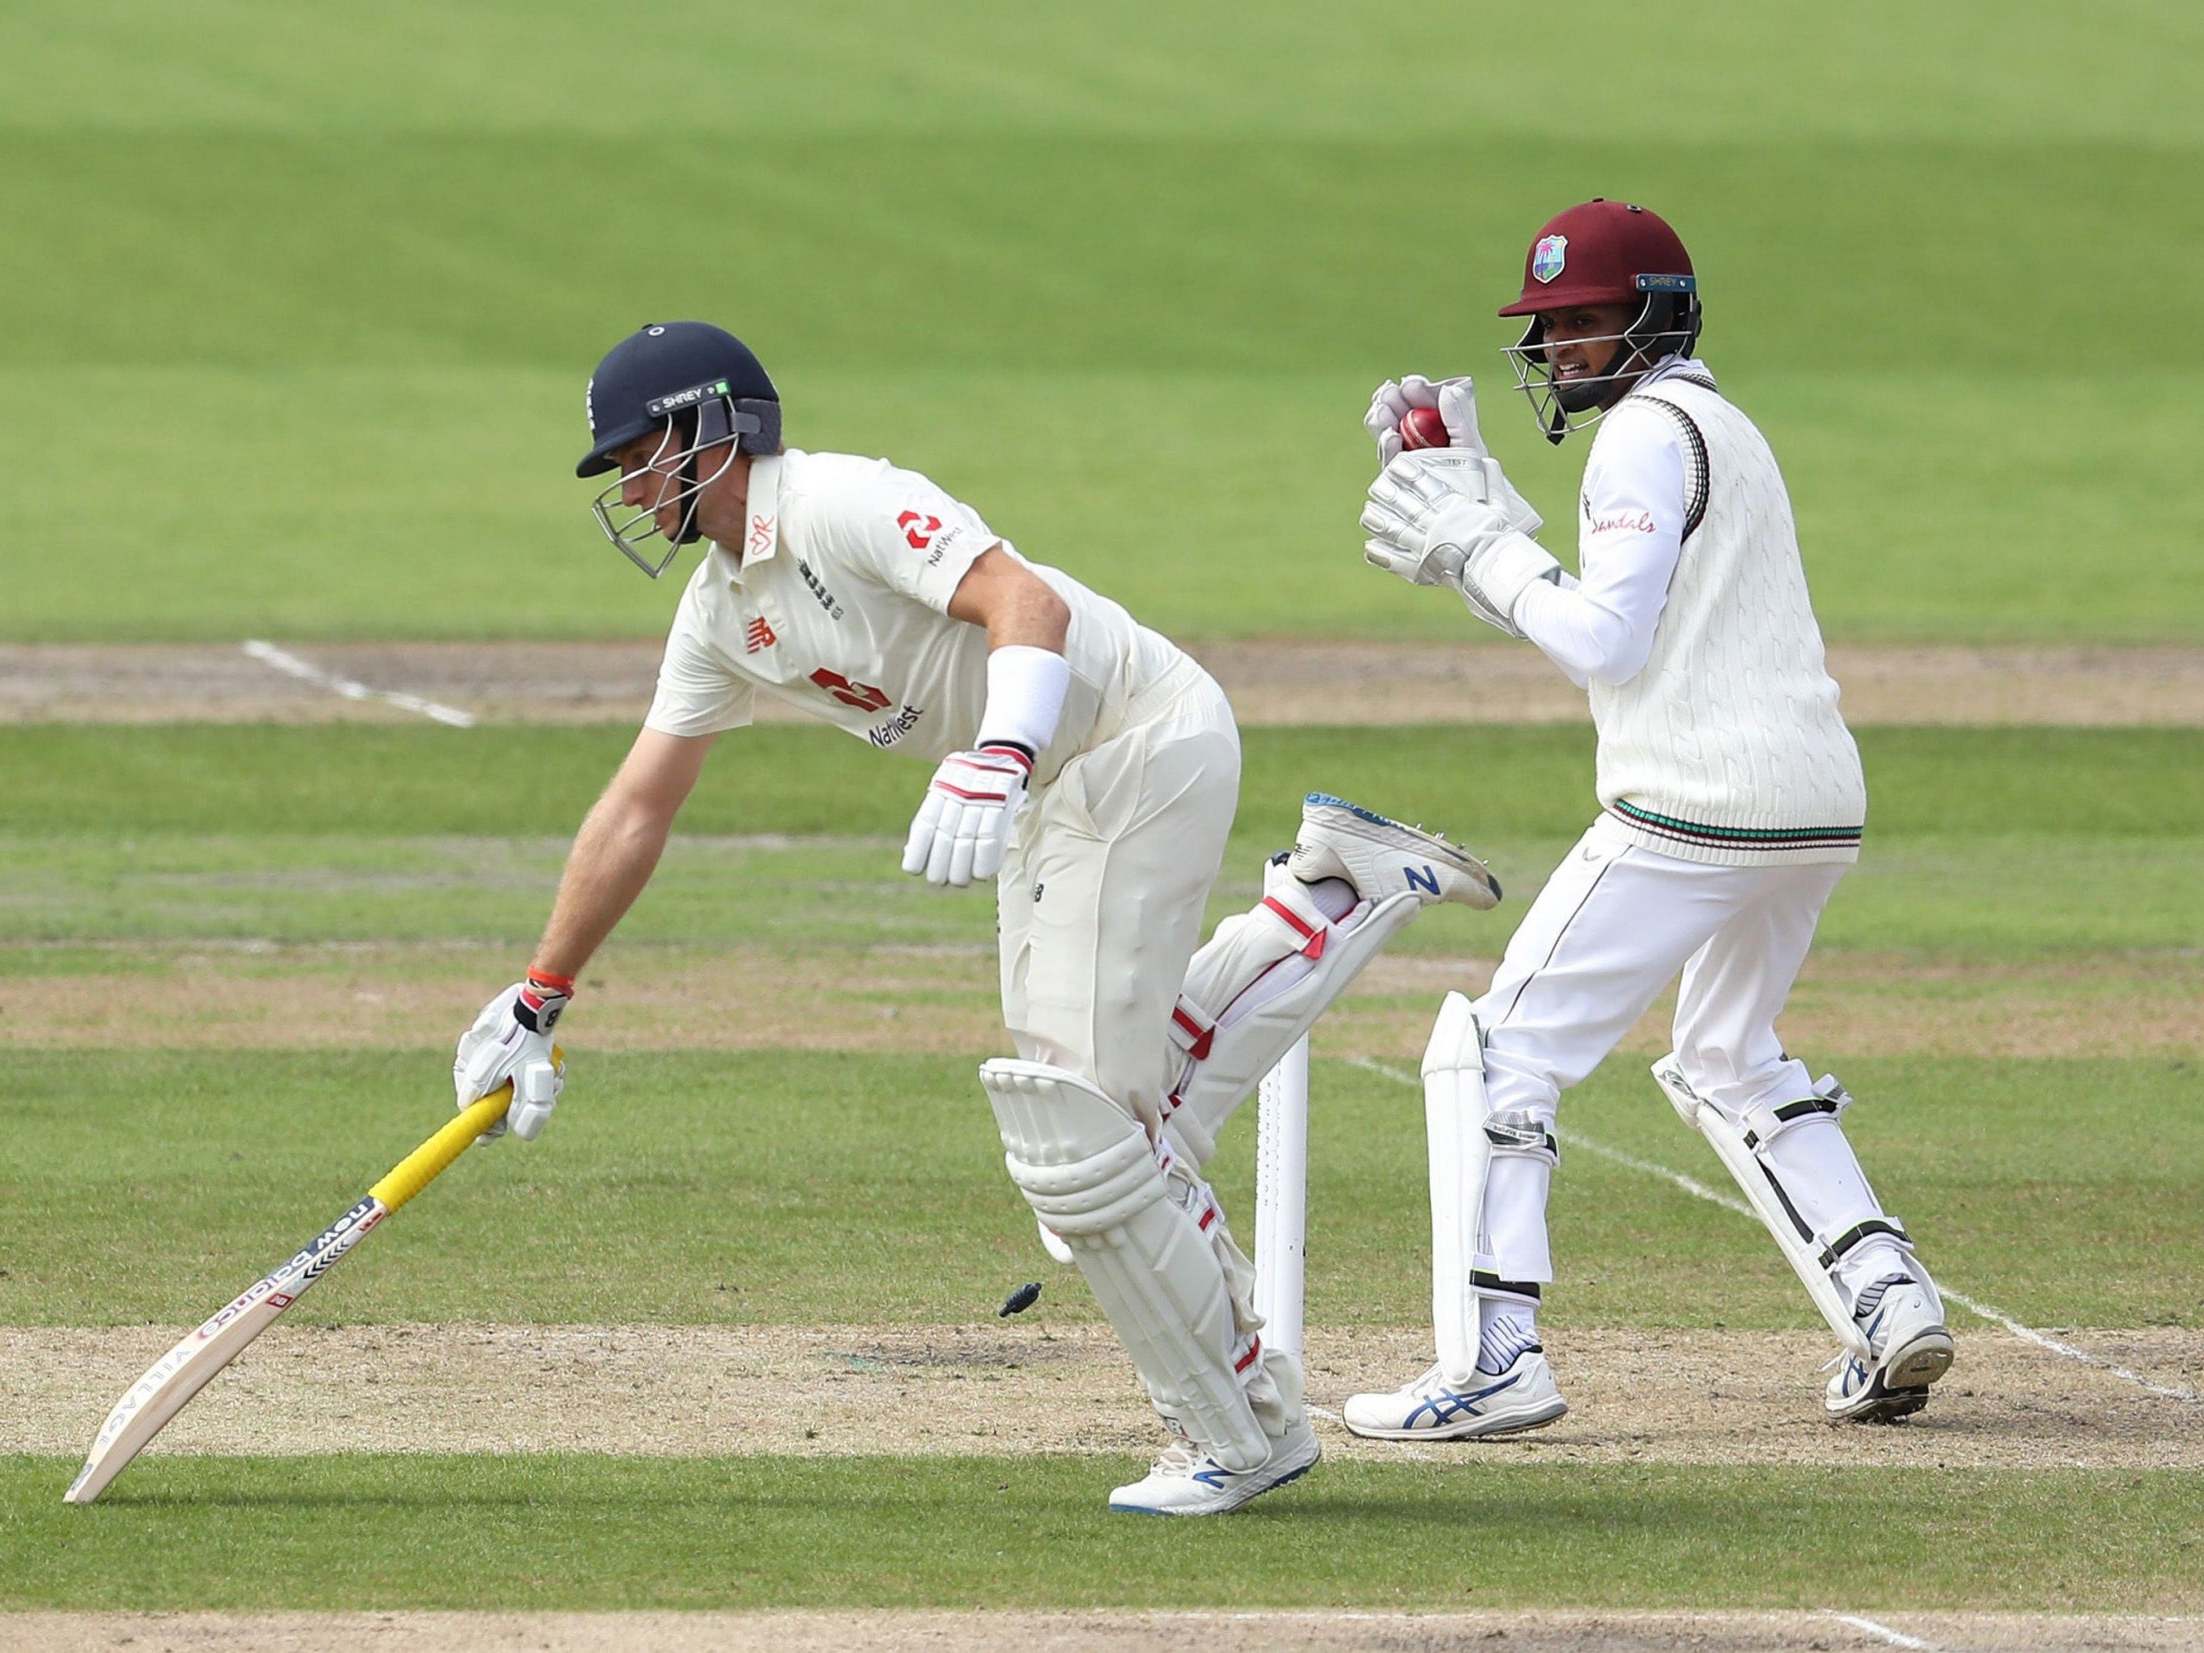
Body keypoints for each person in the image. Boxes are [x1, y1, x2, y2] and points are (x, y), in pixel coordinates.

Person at [450, 321, 1503, 1513]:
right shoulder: (718, 613)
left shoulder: (841, 502)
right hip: (1050, 785)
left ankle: (1246, 1429)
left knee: (1085, 1139)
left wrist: (995, 754)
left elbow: (1025, 602)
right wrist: (539, 996)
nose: (631, 488)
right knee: (1089, 1127)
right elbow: (638, 806)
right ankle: (1330, 894)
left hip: (1135, 741)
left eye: (639, 455)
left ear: (712, 426)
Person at [1346, 200, 1954, 1435]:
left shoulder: (1634, 435)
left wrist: (1476, 545)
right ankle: (1887, 1297)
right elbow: (1621, 614)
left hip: (1692, 802)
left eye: (1585, 319)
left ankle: (1493, 1359)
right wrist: (1486, 530)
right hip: (1810, 805)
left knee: (1496, 1056)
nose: (1558, 345)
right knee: (1727, 1053)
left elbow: (1601, 644)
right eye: (1547, 324)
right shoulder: (1718, 425)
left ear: (1657, 317)